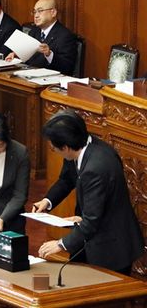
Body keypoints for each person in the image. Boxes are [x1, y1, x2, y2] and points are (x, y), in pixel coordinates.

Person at [34, 110, 144, 274]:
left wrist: (60, 244)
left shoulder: (95, 168)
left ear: (65, 147)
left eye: (53, 147)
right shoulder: (81, 145)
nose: (53, 150)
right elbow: (67, 179)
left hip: (110, 247)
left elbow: (91, 222)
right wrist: (48, 200)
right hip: (90, 238)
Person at [6, 0, 77, 75]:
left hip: (50, 81)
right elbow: (30, 58)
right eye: (34, 12)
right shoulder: (34, 31)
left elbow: (67, 67)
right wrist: (17, 55)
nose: (36, 16)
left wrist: (49, 54)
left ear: (53, 13)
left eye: (40, 11)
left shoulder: (65, 35)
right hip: (30, 77)